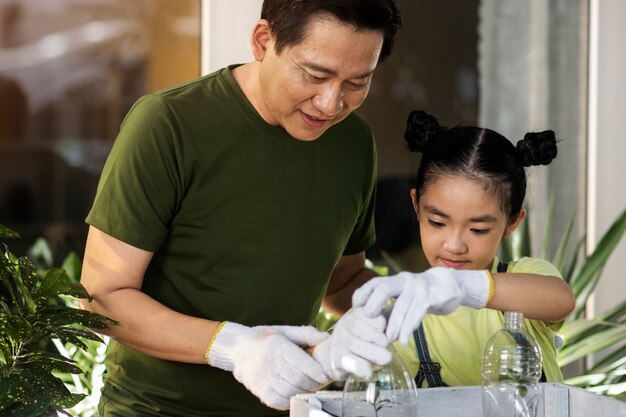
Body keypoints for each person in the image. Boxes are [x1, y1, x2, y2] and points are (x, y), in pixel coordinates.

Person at [78, 1, 402, 416]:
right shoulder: (168, 124)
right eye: (316, 75)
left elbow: (341, 283)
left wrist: (393, 305)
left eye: (357, 82)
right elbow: (101, 297)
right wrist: (233, 347)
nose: (330, 103)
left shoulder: (354, 142)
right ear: (263, 41)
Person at [352, 110, 576, 387]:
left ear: (512, 223)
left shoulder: (527, 275)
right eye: (437, 222)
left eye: (478, 229)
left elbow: (560, 300)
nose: (455, 245)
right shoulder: (406, 312)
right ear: (416, 206)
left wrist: (464, 286)